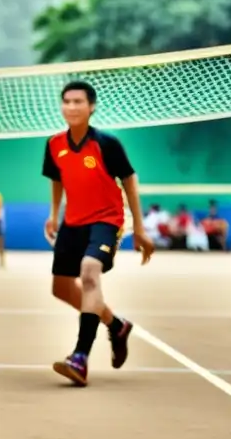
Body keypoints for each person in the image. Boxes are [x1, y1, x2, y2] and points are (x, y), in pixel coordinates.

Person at [42, 81, 154, 387]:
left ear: (91, 107)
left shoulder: (106, 143)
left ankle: (80, 358)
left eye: (79, 102)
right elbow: (57, 178)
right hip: (73, 222)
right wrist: (54, 215)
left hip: (106, 220)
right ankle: (116, 325)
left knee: (90, 272)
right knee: (62, 289)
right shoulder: (54, 145)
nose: (72, 107)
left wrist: (140, 230)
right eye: (67, 101)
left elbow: (130, 179)